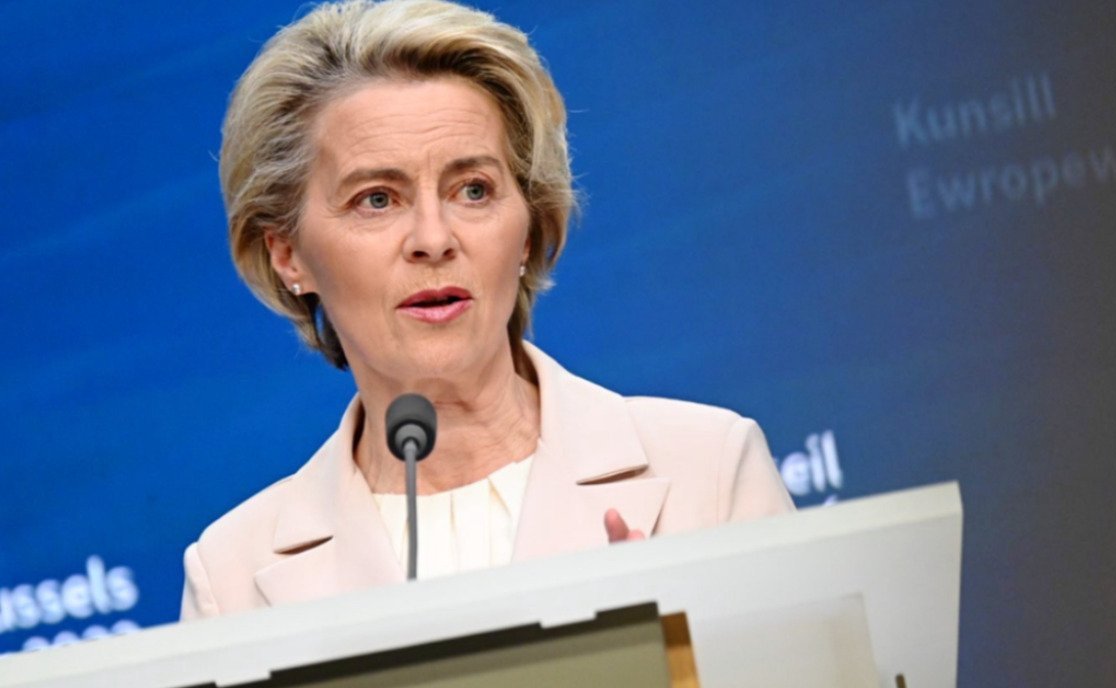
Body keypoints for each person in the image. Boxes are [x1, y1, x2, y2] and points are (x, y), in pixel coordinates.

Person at [181, 0, 794, 620]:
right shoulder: (232, 576)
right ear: (288, 255)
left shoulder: (710, 472)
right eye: (376, 199)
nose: (433, 238)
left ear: (528, 230)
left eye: (473, 190)